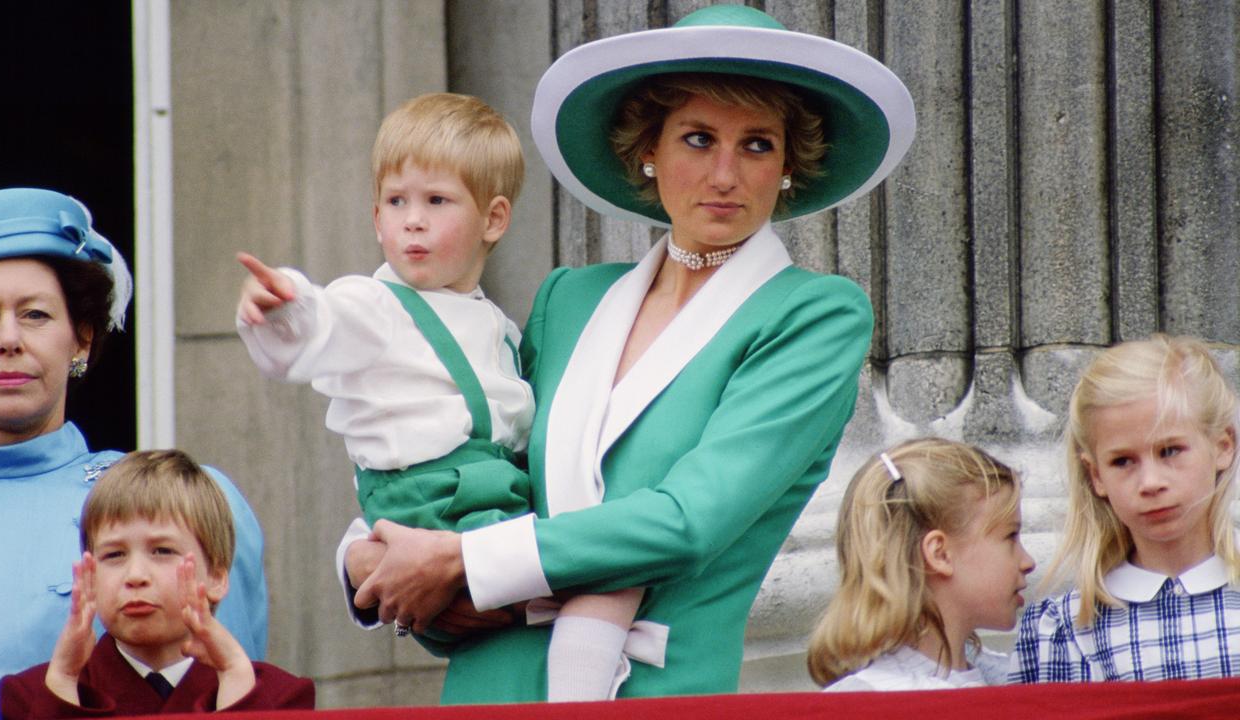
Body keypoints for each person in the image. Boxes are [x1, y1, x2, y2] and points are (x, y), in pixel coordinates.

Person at [340, 4, 916, 703]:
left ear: (790, 165)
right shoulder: (570, 299)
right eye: (698, 138)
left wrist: (459, 559)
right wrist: (370, 556)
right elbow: (475, 462)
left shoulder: (814, 315)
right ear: (650, 148)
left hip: (656, 696)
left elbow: (689, 521)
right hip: (488, 686)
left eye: (758, 144)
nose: (726, 174)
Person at [236, 92, 642, 701]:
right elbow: (322, 324)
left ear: (494, 219)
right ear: (376, 219)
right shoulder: (375, 304)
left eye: (436, 201)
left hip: (480, 496)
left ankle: (555, 656)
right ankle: (578, 699)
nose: (412, 220)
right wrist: (283, 305)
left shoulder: (497, 325)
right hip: (435, 501)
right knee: (607, 574)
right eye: (396, 202)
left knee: (594, 573)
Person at [0, 187, 269, 719]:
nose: (7, 339)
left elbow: (229, 701)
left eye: (35, 315)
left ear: (80, 340)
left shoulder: (187, 501)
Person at [0, 450, 313, 716]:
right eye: (114, 555)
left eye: (162, 551)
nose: (135, 576)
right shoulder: (32, 695)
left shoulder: (279, 696)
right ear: (90, 577)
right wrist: (64, 684)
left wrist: (235, 683)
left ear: (216, 576)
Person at [1010, 334, 1240, 682]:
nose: (1150, 482)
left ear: (1222, 447)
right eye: (1122, 461)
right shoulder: (1064, 631)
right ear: (1096, 474)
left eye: (1170, 451)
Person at [809, 439, 1035, 691]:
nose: (1028, 562)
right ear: (940, 553)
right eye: (1010, 537)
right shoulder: (866, 702)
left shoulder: (1016, 679)